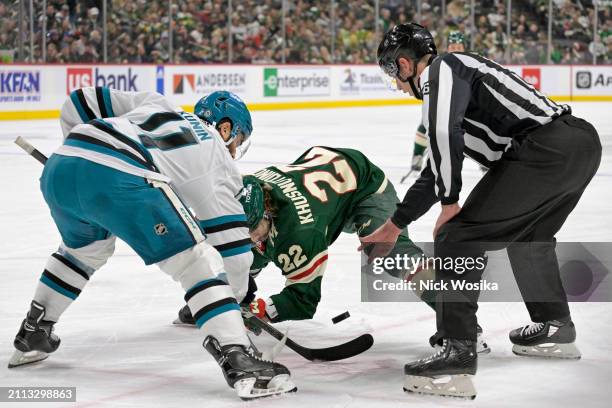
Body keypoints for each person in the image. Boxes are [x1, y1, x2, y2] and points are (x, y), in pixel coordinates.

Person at [8, 88, 297, 400]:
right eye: (238, 140)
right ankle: (239, 360)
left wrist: (82, 160)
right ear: (227, 129)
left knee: (83, 251)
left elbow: (77, 102)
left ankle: (35, 329)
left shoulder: (157, 103)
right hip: (122, 173)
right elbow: (236, 257)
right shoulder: (219, 161)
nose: (236, 149)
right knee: (196, 262)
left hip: (63, 166)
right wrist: (233, 300)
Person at [364, 23, 601, 398]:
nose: (395, 84)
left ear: (406, 65)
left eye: (393, 73)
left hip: (545, 149)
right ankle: (555, 327)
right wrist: (395, 225)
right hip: (577, 145)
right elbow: (433, 170)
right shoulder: (454, 82)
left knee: (457, 236)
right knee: (531, 239)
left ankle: (457, 351)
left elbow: (445, 138)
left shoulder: (441, 70)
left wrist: (450, 202)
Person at [174, 146, 490, 354]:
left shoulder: (302, 231)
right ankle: (233, 294)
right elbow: (237, 238)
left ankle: (460, 322)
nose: (250, 237)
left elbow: (303, 300)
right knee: (248, 249)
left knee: (390, 253)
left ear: (269, 213)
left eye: (254, 228)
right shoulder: (248, 189)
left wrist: (260, 309)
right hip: (325, 177)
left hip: (363, 188)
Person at [401, 30, 480, 183]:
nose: (456, 49)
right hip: (443, 103)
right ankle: (417, 158)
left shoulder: (472, 61)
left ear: (463, 47)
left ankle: (485, 163)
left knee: (475, 130)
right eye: (453, 46)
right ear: (448, 47)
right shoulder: (438, 61)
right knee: (425, 126)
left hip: (466, 105)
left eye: (458, 46)